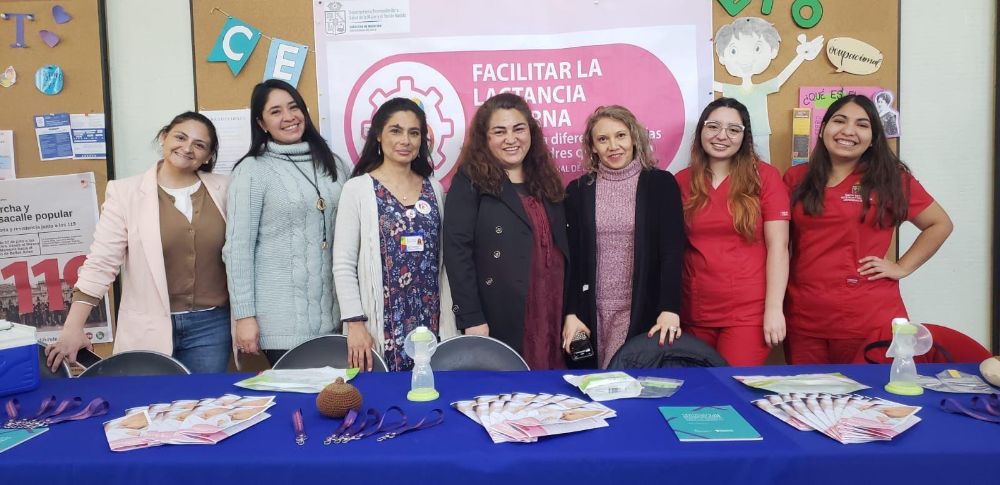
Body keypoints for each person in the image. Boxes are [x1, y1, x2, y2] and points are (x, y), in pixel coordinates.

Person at [45, 112, 231, 374]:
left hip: (211, 327)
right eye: (180, 137)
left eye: (199, 145)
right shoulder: (125, 193)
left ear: (209, 156)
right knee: (146, 406)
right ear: (165, 137)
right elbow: (102, 261)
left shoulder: (226, 188)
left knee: (202, 407)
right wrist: (73, 327)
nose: (187, 148)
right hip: (147, 324)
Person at [783, 94, 953, 364]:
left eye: (862, 125)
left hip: (868, 317)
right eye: (839, 121)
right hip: (804, 317)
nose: (848, 131)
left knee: (873, 403)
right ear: (823, 128)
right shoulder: (795, 178)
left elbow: (939, 224)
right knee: (812, 402)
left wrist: (901, 266)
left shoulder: (891, 179)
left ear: (873, 138)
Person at [224, 79, 351, 366]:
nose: (289, 117)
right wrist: (244, 317)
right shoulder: (252, 171)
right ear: (262, 123)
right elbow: (237, 249)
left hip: (335, 320)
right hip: (280, 324)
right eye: (276, 111)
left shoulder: (334, 164)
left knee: (337, 401)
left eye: (294, 107)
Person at [443, 92, 568, 370]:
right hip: (503, 310)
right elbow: (456, 252)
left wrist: (573, 310)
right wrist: (471, 317)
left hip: (553, 305)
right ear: (485, 139)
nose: (511, 139)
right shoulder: (470, 181)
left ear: (531, 132)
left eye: (518, 129)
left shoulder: (546, 179)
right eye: (499, 131)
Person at [333, 97, 457, 372]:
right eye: (396, 130)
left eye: (414, 133)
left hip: (431, 319)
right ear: (378, 135)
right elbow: (343, 264)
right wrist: (355, 323)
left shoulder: (434, 189)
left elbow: (445, 261)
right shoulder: (358, 189)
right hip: (381, 325)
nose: (406, 140)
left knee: (430, 393)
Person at [562, 105, 685, 369]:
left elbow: (672, 251)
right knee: (592, 388)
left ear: (634, 139)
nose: (613, 146)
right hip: (591, 312)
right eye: (602, 139)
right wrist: (571, 313)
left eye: (620, 136)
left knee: (628, 386)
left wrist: (670, 308)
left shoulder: (660, 185)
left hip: (643, 309)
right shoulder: (578, 191)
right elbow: (572, 259)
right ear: (592, 147)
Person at [675, 98, 790, 366]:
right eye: (713, 126)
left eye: (733, 129)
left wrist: (774, 309)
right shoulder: (681, 180)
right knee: (697, 395)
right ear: (701, 131)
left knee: (733, 389)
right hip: (694, 310)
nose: (721, 136)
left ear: (744, 136)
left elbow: (779, 247)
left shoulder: (765, 177)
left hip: (747, 314)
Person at [713, 17, 824, 162]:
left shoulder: (760, 88)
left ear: (772, 51)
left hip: (760, 133)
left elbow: (780, 78)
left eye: (757, 48)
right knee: (735, 165)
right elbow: (711, 84)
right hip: (734, 133)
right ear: (722, 57)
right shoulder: (731, 89)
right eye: (733, 51)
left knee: (763, 166)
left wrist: (800, 57)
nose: (746, 58)